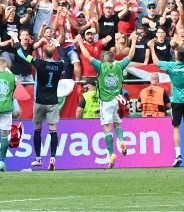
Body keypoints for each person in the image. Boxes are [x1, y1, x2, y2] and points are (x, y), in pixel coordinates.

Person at [78, 33, 137, 168]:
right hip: (116, 100)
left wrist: (81, 42)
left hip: (105, 102)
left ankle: (111, 154)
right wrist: (133, 40)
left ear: (104, 59)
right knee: (117, 123)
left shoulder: (101, 66)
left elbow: (87, 56)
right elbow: (131, 55)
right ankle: (121, 140)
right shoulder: (118, 66)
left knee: (106, 128)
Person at [19, 38, 72, 169]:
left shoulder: (39, 63)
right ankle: (53, 158)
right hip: (52, 102)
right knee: (53, 130)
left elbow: (24, 54)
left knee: (37, 130)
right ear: (53, 53)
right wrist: (59, 46)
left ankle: (38, 159)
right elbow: (65, 59)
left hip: (40, 101)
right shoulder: (59, 65)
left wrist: (16, 42)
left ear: (43, 53)